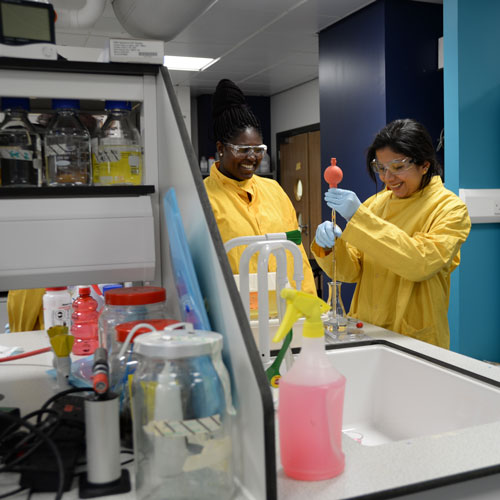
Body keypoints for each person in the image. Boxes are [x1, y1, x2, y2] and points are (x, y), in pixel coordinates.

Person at [312, 119, 471, 348]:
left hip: (414, 336)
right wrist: (329, 246)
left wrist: (360, 218)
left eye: (398, 167)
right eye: (382, 168)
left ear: (425, 165)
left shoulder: (450, 209)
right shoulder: (375, 204)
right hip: (366, 327)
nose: (388, 178)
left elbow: (420, 262)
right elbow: (349, 272)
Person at [204, 79, 316, 296]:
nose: (252, 157)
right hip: (238, 313)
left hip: (288, 309)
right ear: (220, 148)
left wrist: (309, 301)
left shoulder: (274, 190)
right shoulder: (203, 199)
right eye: (242, 149)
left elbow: (296, 250)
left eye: (258, 149)